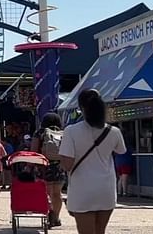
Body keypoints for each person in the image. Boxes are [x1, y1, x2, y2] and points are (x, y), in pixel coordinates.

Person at [59, 89, 126, 234]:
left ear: (81, 108)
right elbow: (121, 151)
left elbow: (67, 165)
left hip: (82, 190)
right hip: (106, 188)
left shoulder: (71, 131)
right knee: (100, 231)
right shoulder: (113, 131)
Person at [31, 112, 67, 227]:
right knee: (57, 193)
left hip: (43, 166)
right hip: (59, 166)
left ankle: (48, 213)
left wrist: (30, 166)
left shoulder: (40, 133)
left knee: (45, 192)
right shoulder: (63, 133)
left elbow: (34, 150)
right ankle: (56, 218)